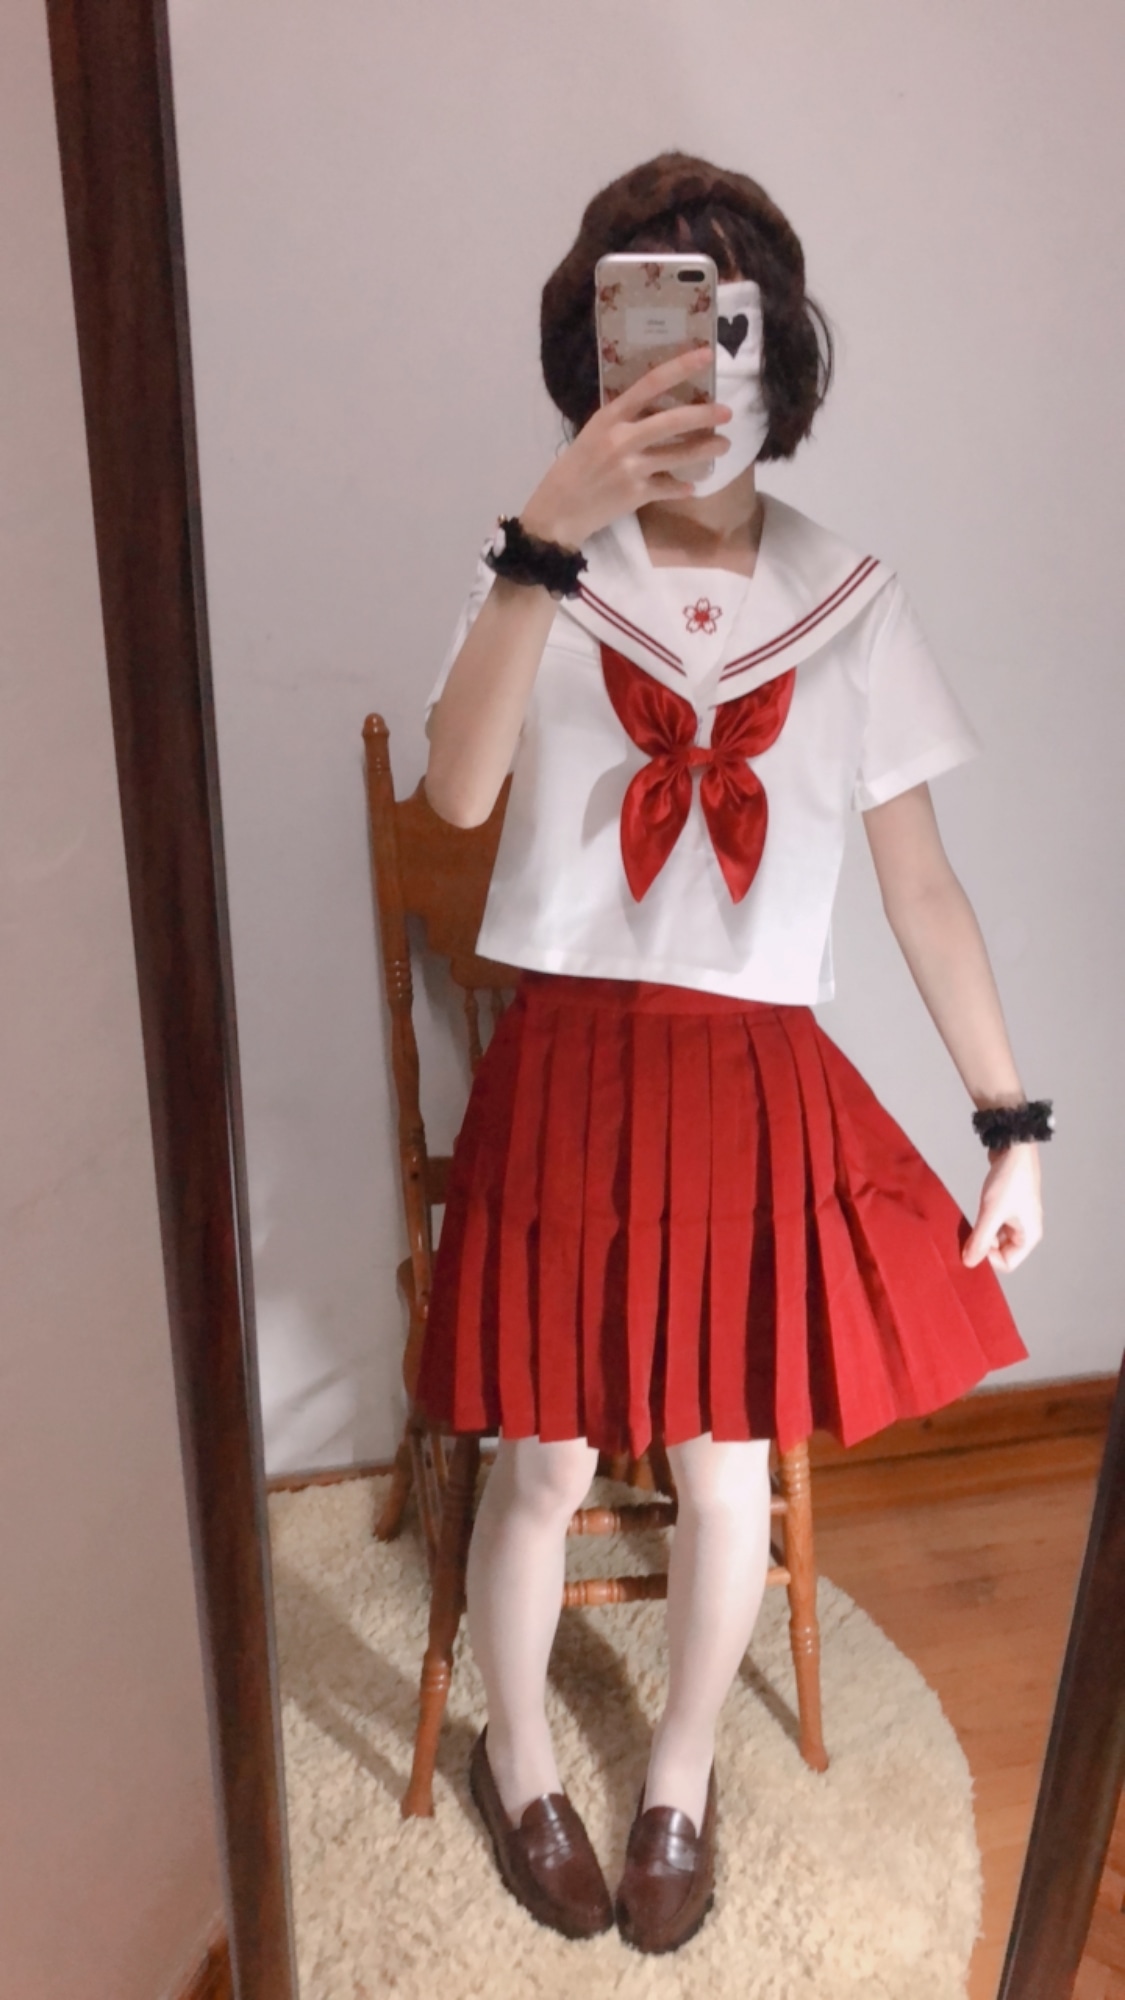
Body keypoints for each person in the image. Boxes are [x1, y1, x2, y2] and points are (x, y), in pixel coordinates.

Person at [415, 151, 1048, 1955]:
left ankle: (676, 1779)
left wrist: (1011, 1119)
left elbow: (920, 888)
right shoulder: (543, 568)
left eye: (728, 321)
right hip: (565, 1067)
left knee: (716, 1470)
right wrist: (543, 532)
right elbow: (456, 794)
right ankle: (519, 1757)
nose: (696, 366)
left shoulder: (850, 595)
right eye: (652, 320)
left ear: (781, 349)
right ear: (594, 349)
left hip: (746, 1078)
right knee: (543, 1462)